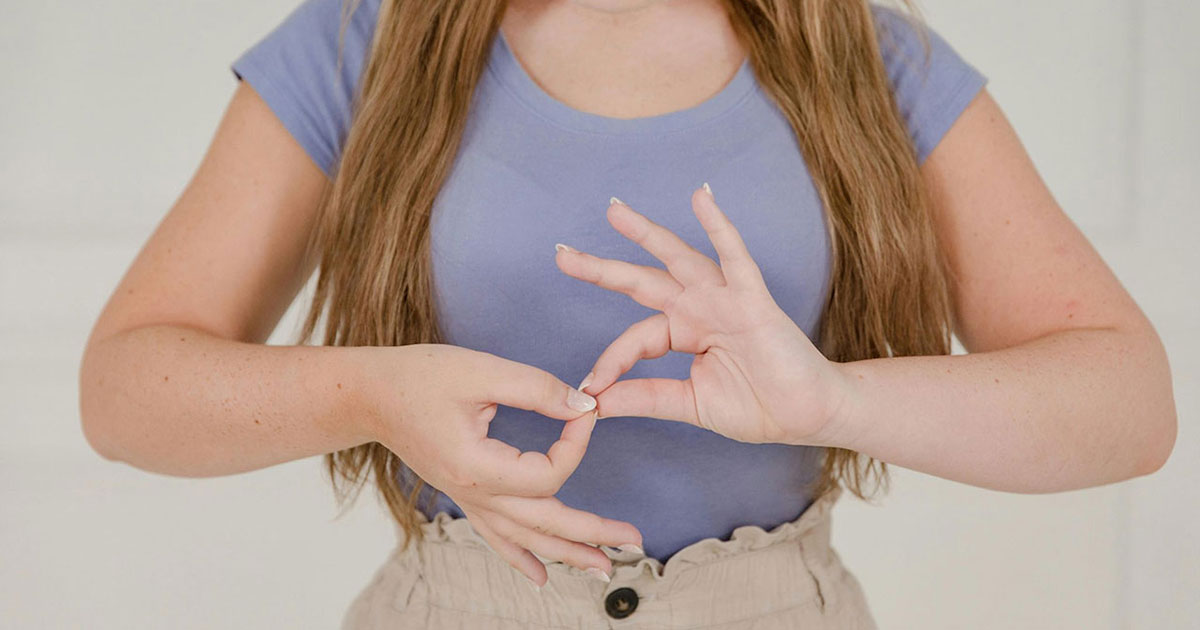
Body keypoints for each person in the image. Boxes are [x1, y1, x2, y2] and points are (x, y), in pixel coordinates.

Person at [78, 0, 1177, 627]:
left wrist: (835, 399)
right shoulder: (361, 43)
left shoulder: (871, 58)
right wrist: (370, 389)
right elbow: (124, 393)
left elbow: (1128, 403)